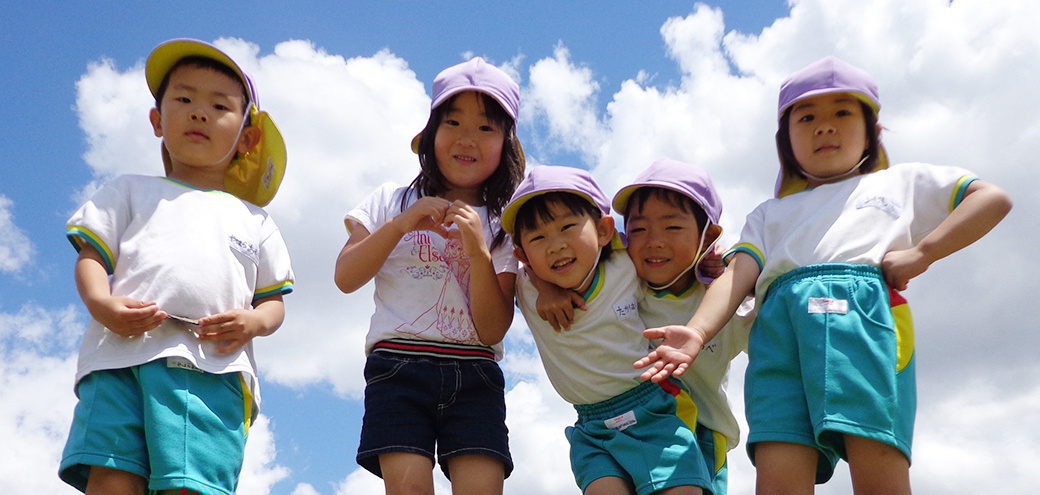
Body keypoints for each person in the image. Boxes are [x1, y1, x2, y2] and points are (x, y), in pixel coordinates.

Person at [637, 56, 1013, 493]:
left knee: (877, 465)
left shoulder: (899, 182)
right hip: (779, 332)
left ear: (872, 131)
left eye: (842, 113)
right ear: (786, 141)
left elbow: (991, 198)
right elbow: (739, 271)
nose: (824, 127)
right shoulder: (769, 214)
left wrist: (924, 252)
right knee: (778, 471)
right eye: (807, 117)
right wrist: (697, 331)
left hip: (861, 321)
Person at [59, 38, 294, 495]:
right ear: (156, 120)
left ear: (247, 137)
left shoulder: (256, 220)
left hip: (213, 369)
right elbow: (92, 255)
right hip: (119, 357)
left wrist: (252, 322)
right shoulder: (129, 190)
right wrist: (100, 302)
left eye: (218, 106)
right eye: (183, 99)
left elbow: (272, 303)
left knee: (190, 487)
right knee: (111, 478)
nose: (199, 112)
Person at [334, 57, 525, 494]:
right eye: (453, 121)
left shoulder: (506, 225)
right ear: (432, 132)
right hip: (397, 369)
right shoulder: (390, 199)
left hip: (475, 371)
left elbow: (494, 327)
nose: (466, 138)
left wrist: (478, 250)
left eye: (485, 127)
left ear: (505, 144)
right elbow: (345, 276)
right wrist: (401, 224)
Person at [506, 165, 713, 495]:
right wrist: (542, 284)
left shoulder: (625, 265)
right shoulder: (525, 289)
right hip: (592, 429)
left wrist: (709, 261)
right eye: (538, 237)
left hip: (652, 410)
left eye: (567, 227)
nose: (555, 245)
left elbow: (670, 259)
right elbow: (511, 265)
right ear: (523, 255)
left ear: (604, 231)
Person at [612, 157, 755, 495]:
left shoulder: (722, 301)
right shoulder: (620, 288)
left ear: (709, 237)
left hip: (701, 435)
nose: (654, 241)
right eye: (639, 229)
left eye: (672, 227)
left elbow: (778, 330)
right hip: (631, 433)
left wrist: (740, 275)